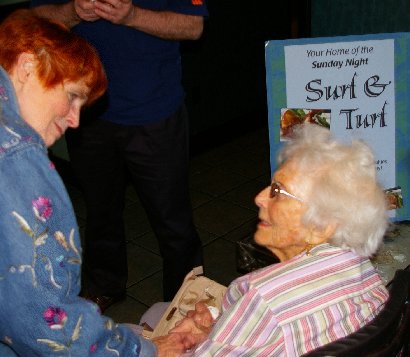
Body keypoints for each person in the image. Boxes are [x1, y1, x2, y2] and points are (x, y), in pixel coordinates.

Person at [0, 10, 185, 356]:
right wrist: (145, 351)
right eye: (72, 96)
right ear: (27, 67)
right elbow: (45, 323)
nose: (74, 120)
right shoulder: (17, 155)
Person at [30, 0, 208, 310]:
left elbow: (193, 27)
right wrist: (72, 11)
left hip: (155, 112)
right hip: (86, 111)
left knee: (173, 220)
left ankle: (186, 306)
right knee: (100, 210)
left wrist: (132, 15)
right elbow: (33, 18)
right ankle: (105, 286)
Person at [168, 123, 390, 356]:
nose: (259, 198)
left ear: (320, 225)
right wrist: (215, 336)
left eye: (278, 191)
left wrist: (176, 347)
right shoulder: (366, 273)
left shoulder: (265, 300)